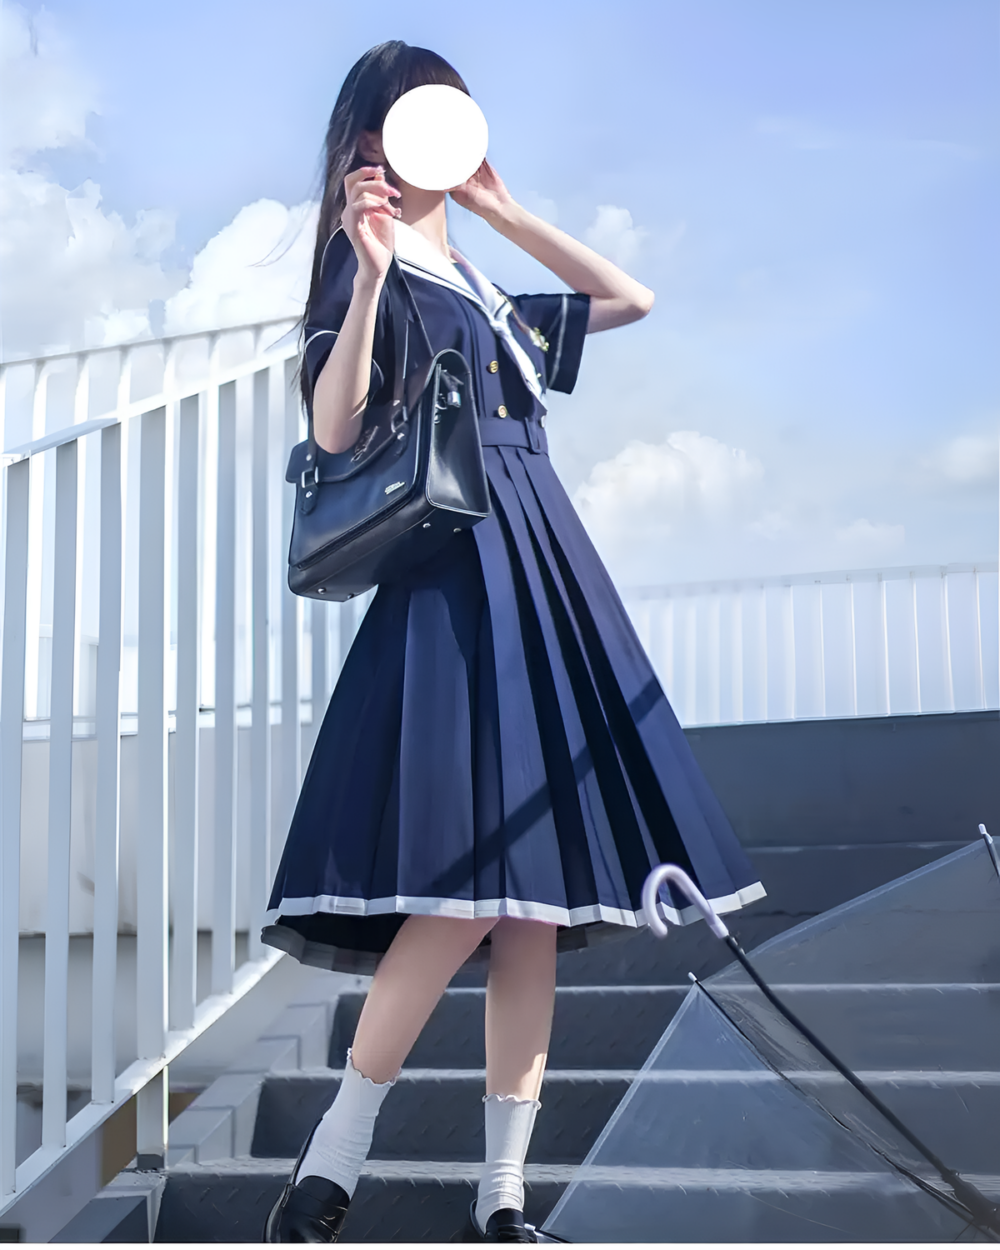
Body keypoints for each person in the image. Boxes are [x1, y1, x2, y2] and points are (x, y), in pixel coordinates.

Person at [261, 40, 765, 1244]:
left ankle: (503, 1196)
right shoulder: (371, 267)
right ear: (370, 142)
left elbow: (629, 298)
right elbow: (332, 428)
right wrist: (370, 273)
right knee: (462, 886)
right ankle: (331, 1163)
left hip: (542, 573)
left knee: (528, 902)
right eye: (410, 120)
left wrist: (502, 209)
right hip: (454, 575)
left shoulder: (481, 280)